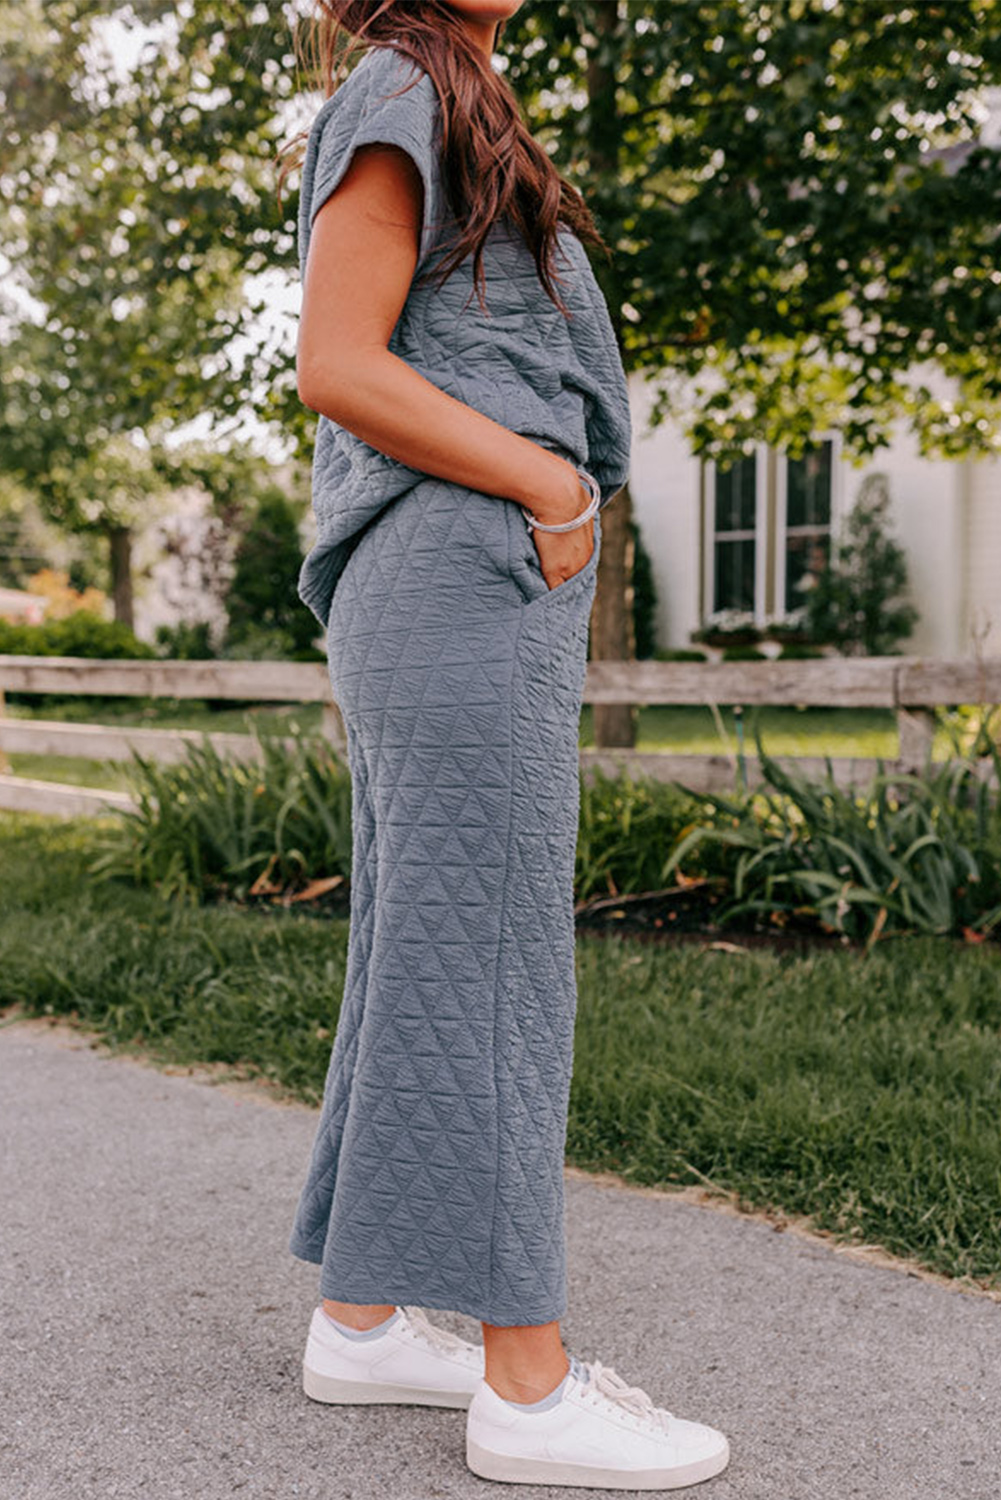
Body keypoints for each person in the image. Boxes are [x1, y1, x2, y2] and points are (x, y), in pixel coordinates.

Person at [281, 0, 730, 1488]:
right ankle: (525, 1389)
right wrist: (548, 482)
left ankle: (362, 1318)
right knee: (490, 960)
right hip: (455, 560)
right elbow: (339, 361)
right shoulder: (404, 84)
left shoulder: (444, 85)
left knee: (434, 940)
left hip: (465, 570)